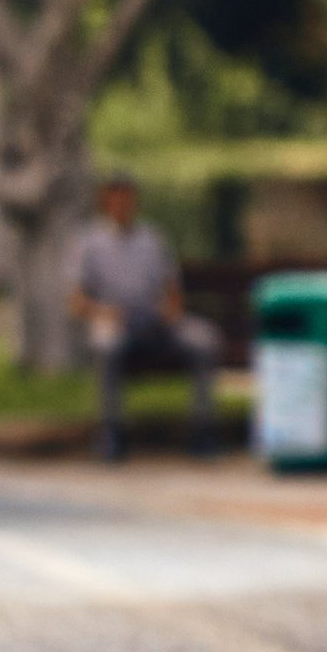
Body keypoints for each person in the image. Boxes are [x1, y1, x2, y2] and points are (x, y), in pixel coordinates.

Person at [69, 168, 222, 463]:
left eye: (127, 198)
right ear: (105, 201)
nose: (122, 204)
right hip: (116, 322)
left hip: (155, 322)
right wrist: (104, 312)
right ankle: (112, 432)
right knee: (106, 345)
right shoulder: (89, 243)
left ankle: (203, 430)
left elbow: (173, 290)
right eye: (115, 198)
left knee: (204, 340)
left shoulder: (152, 239)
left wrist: (170, 311)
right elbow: (76, 302)